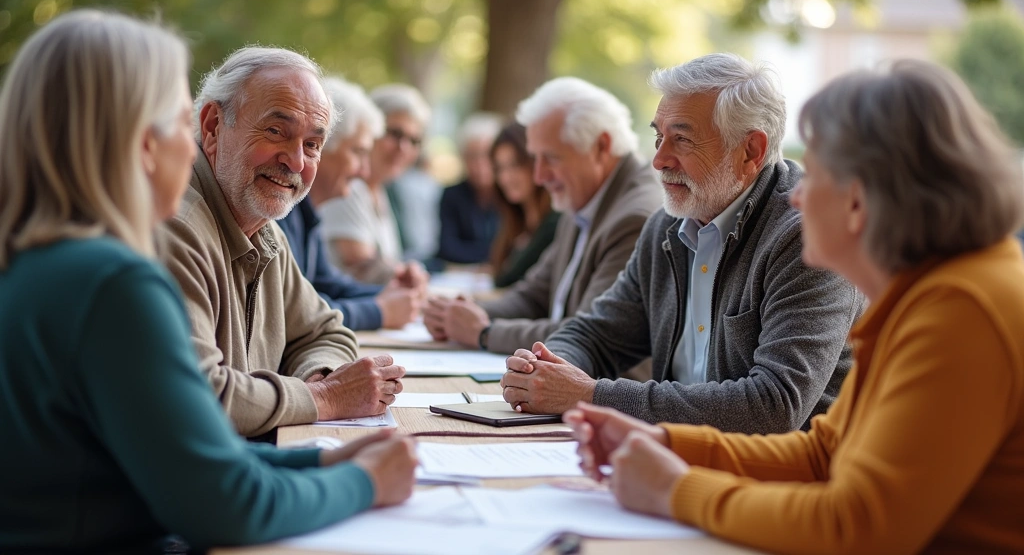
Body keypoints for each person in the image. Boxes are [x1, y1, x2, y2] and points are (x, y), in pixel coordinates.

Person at [566, 60, 1024, 553]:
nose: (798, 195)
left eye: (817, 173)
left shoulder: (962, 309)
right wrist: (671, 446)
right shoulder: (929, 293)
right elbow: (824, 454)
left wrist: (675, 490)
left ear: (861, 198)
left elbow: (859, 526)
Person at [0, 10, 416, 553]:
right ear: (139, 141)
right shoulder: (112, 282)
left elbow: (173, 448)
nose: (190, 144)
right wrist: (365, 482)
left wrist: (317, 457)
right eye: (180, 121)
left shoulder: (48, 259)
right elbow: (224, 504)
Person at [502, 54, 862, 434]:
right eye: (658, 136)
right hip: (675, 456)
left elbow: (774, 405)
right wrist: (545, 367)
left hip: (775, 479)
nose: (658, 160)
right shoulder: (667, 226)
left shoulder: (804, 237)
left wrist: (591, 395)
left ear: (751, 151)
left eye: (682, 139)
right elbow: (596, 333)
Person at [160, 47, 404, 437]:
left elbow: (326, 332)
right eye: (276, 132)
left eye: (312, 144)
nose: (295, 161)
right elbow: (196, 398)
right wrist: (326, 397)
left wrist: (319, 374)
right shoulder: (175, 227)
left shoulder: (264, 227)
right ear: (212, 127)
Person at [423, 77, 663, 359]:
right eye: (535, 158)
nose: (539, 176)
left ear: (601, 146)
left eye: (551, 158)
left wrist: (483, 332)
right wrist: (459, 314)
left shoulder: (634, 216)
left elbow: (589, 334)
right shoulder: (585, 199)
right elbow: (532, 295)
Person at [277, 76, 426, 332]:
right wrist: (379, 311)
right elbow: (292, 311)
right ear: (320, 148)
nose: (364, 171)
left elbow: (327, 283)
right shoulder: (280, 211)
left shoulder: (304, 211)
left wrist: (390, 292)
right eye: (358, 153)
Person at [320, 83, 435, 282]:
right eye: (395, 134)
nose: (403, 148)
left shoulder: (380, 190)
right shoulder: (347, 187)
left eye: (414, 141)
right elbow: (362, 263)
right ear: (370, 130)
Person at [489, 123, 561, 288]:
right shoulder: (517, 222)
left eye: (514, 165)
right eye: (499, 168)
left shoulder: (554, 222)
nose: (506, 178)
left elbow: (507, 280)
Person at [435, 112, 504, 265]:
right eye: (472, 156)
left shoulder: (510, 195)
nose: (479, 164)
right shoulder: (452, 195)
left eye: (486, 155)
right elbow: (447, 249)